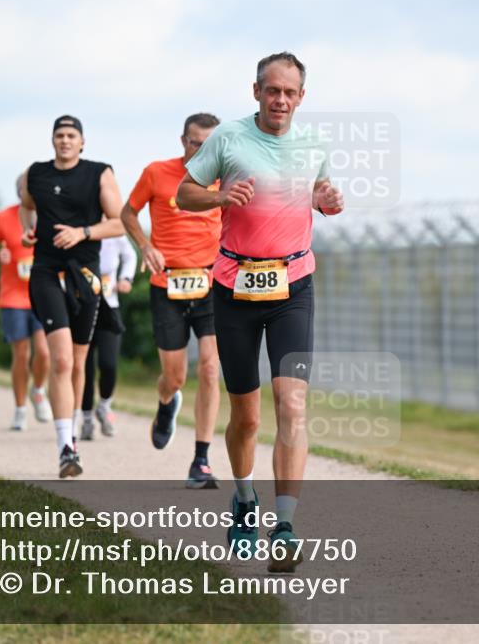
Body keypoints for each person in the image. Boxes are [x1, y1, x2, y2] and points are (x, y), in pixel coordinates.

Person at [177, 53, 344, 570]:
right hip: (235, 287)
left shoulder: (314, 144)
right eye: (273, 91)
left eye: (290, 93)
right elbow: (185, 194)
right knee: (246, 416)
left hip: (293, 283)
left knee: (291, 406)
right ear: (256, 91)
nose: (281, 100)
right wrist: (220, 196)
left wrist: (326, 199)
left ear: (302, 97)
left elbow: (317, 192)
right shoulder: (227, 138)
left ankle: (286, 525)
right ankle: (245, 499)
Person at [17, 115, 125, 478]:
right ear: (52, 140)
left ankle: (74, 431)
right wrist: (28, 231)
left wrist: (82, 232)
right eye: (59, 135)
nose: (65, 141)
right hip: (46, 272)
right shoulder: (35, 174)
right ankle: (66, 448)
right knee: (61, 361)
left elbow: (120, 222)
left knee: (79, 363)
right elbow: (26, 204)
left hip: (86, 275)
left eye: (71, 136)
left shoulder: (99, 173)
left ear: (82, 142)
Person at [122, 112, 223, 489]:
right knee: (175, 377)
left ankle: (201, 460)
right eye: (197, 142)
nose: (203, 150)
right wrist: (145, 246)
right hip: (168, 286)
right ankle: (166, 404)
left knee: (211, 370)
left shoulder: (226, 177)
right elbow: (128, 212)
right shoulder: (157, 172)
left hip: (211, 283)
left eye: (211, 144)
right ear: (184, 141)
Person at [0, 201, 54, 430]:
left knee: (44, 352)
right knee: (21, 355)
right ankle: (20, 410)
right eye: (25, 189)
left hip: (43, 294)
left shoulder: (50, 214)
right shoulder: (3, 218)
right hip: (13, 297)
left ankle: (38, 391)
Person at [80, 231, 136, 440]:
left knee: (109, 363)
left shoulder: (114, 230)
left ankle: (104, 406)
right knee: (85, 367)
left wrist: (125, 278)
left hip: (109, 307)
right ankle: (86, 419)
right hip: (83, 306)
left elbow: (130, 255)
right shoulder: (82, 228)